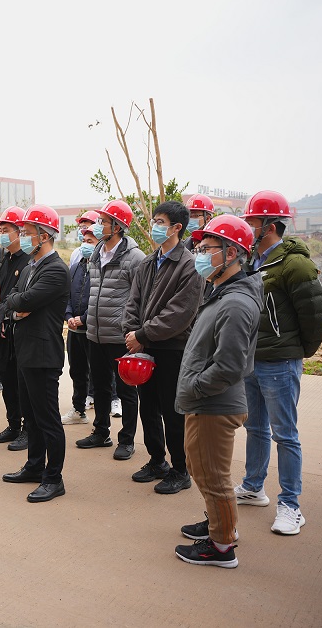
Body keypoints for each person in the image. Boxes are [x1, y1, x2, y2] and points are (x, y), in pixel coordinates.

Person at [236, 190, 322, 535]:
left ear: (270, 226)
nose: (248, 228)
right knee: (255, 428)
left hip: (280, 363)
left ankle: (291, 505)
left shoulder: (295, 264)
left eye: (252, 222)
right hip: (251, 360)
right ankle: (253, 486)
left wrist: (295, 351)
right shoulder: (249, 260)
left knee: (285, 434)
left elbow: (316, 319)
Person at [174, 215, 262, 568]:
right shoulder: (222, 293)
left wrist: (195, 387)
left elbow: (229, 366)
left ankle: (222, 546)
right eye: (199, 248)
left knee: (212, 475)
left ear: (231, 253)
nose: (199, 254)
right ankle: (217, 524)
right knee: (201, 468)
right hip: (206, 400)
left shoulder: (236, 303)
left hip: (213, 403)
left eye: (206, 248)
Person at [122, 201, 204, 494]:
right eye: (154, 221)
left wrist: (142, 334)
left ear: (177, 227)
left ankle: (181, 469)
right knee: (148, 406)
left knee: (173, 411)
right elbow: (132, 302)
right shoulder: (147, 262)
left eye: (160, 222)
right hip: (143, 347)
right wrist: (132, 332)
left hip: (172, 348)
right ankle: (157, 460)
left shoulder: (190, 265)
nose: (154, 226)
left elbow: (180, 314)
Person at [0, 206, 70, 503]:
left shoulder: (56, 270)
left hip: (43, 354)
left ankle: (53, 478)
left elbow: (25, 299)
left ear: (44, 236)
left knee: (47, 418)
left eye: (28, 233)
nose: (24, 238)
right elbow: (11, 299)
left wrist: (18, 304)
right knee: (31, 416)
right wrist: (17, 308)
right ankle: (34, 466)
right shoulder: (30, 267)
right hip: (25, 350)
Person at [77, 200, 145, 460]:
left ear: (117, 227)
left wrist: (134, 331)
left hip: (120, 336)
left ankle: (127, 440)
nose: (98, 225)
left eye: (103, 222)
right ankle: (101, 432)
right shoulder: (96, 252)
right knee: (101, 386)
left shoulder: (135, 258)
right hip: (95, 333)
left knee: (126, 391)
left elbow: (142, 298)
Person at [0, 207, 31, 449]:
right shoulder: (5, 259)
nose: (1, 235)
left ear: (19, 232)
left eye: (6, 230)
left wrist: (7, 316)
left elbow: (23, 301)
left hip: (20, 330)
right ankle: (13, 425)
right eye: (0, 230)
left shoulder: (28, 261)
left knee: (22, 382)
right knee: (7, 380)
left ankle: (27, 430)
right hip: (2, 329)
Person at [61, 228, 97, 427]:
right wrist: (68, 316)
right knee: (77, 371)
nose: (85, 244)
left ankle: (102, 420)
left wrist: (84, 318)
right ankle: (78, 409)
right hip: (74, 330)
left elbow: (101, 299)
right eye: (84, 240)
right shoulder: (75, 267)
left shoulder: (101, 267)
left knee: (98, 375)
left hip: (93, 330)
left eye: (90, 241)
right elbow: (66, 295)